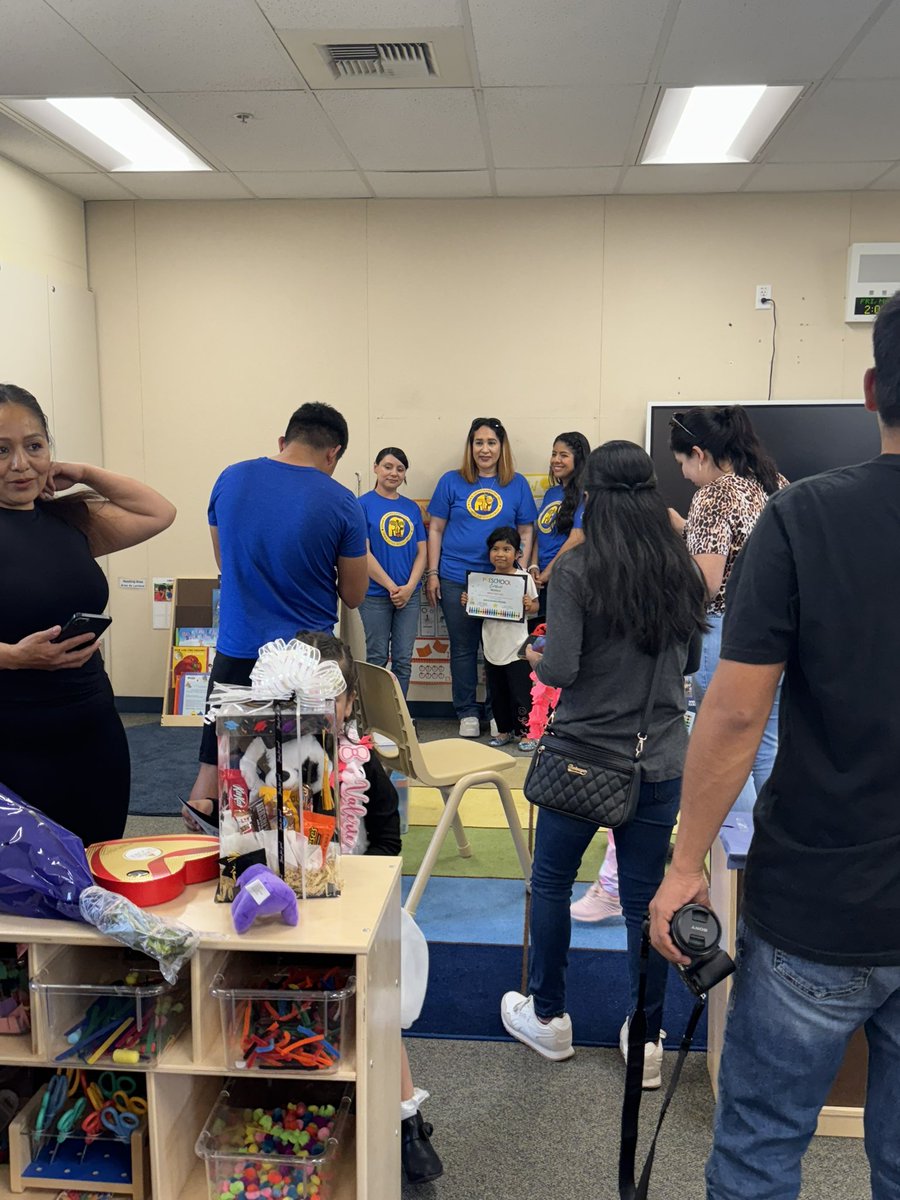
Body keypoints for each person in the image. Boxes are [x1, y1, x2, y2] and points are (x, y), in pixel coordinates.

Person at [649, 293, 900, 1199]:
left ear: (872, 388)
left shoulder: (810, 517)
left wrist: (683, 869)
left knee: (758, 1153)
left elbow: (734, 712)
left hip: (819, 905)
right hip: (827, 903)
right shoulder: (778, 504)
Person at [500, 442, 705, 1088]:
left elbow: (560, 668)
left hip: (584, 758)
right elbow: (692, 662)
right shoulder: (681, 568)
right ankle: (646, 1039)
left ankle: (551, 1017)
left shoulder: (580, 569)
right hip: (662, 757)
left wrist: (536, 659)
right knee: (645, 900)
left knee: (553, 880)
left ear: (594, 495)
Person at [0, 382, 176, 844]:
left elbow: (158, 511)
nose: (20, 465)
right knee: (26, 890)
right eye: (1, 450)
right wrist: (12, 657)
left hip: (91, 731)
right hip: (12, 738)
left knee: (100, 863)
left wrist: (80, 471)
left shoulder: (68, 519)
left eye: (33, 446)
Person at [297, 629, 442, 1186]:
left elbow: (386, 839)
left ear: (350, 702)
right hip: (294, 907)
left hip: (358, 907)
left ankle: (407, 1120)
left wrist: (368, 888)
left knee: (379, 1018)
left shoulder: (365, 765)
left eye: (330, 697)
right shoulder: (268, 759)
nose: (319, 709)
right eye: (305, 696)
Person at [182, 402, 367, 829]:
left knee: (216, 782)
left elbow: (224, 563)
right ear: (333, 453)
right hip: (306, 666)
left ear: (284, 440)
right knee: (302, 793)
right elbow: (354, 595)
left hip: (237, 653)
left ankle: (221, 868)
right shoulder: (341, 502)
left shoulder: (230, 479)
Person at [668, 404, 787, 810]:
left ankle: (732, 857)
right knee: (765, 744)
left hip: (725, 635)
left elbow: (707, 582)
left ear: (699, 454)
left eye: (682, 462)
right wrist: (686, 531)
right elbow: (744, 551)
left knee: (722, 754)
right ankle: (765, 844)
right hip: (775, 634)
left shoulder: (711, 497)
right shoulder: (772, 483)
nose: (683, 473)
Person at [425, 418, 537, 737]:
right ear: (470, 446)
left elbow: (526, 530)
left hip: (501, 585)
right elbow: (435, 528)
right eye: (478, 442)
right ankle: (467, 712)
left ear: (501, 447)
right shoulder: (451, 481)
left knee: (499, 651)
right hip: (456, 577)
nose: (484, 449)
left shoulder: (516, 484)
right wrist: (432, 573)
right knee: (463, 648)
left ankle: (496, 712)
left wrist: (520, 574)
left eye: (491, 442)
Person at [460, 526, 538, 752]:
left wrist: (528, 605)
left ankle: (527, 733)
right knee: (497, 691)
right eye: (495, 549)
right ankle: (503, 730)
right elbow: (474, 608)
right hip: (492, 645)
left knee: (521, 693)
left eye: (507, 549)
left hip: (517, 647)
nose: (500, 554)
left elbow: (535, 606)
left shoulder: (523, 578)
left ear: (517, 553)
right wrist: (468, 600)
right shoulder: (484, 581)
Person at [358, 447, 427, 697]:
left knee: (403, 660)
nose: (394, 473)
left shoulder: (411, 508)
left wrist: (408, 588)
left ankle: (401, 719)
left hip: (409, 596)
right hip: (375, 594)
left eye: (400, 469)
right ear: (376, 468)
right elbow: (362, 553)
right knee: (376, 658)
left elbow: (423, 551)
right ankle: (376, 720)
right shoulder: (362, 505)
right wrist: (391, 586)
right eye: (388, 466)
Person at [529, 431, 590, 622]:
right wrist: (533, 566)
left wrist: (548, 573)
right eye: (554, 454)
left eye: (563, 455)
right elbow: (540, 533)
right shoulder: (551, 493)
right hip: (542, 581)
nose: (556, 460)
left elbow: (577, 538)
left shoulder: (587, 494)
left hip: (567, 579)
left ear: (578, 460)